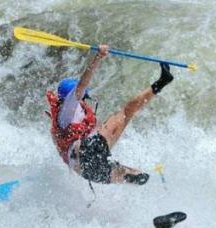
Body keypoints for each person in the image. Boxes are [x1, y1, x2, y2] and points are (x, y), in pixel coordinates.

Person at [46, 44, 174, 186]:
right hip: (87, 151)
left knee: (138, 175)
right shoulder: (68, 107)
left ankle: (162, 82)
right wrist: (98, 57)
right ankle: (161, 83)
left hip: (88, 172)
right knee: (126, 112)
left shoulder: (59, 123)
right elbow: (81, 85)